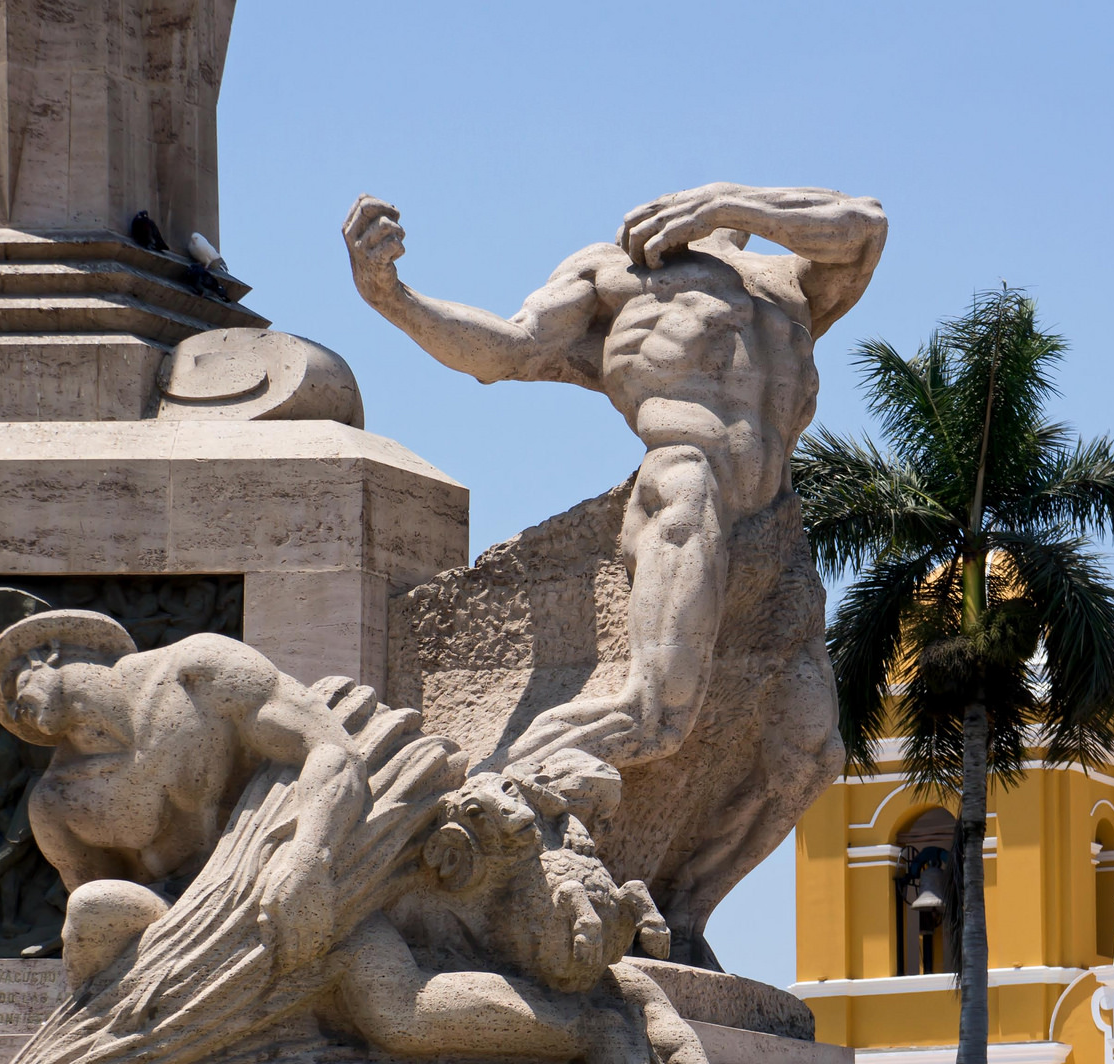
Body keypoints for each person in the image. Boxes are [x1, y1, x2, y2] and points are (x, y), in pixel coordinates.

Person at [342, 183, 884, 773]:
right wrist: (392, 297)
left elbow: (866, 227)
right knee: (656, 718)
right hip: (684, 491)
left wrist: (726, 201)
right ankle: (515, 778)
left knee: (813, 758)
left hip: (769, 528)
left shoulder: (787, 282)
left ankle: (674, 866)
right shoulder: (612, 273)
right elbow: (506, 349)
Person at [0, 609, 363, 965]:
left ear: (46, 654)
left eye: (15, 688)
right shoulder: (56, 801)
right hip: (178, 924)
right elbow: (100, 918)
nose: (14, 713)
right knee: (89, 907)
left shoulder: (195, 670)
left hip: (287, 870)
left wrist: (308, 857)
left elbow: (330, 747)